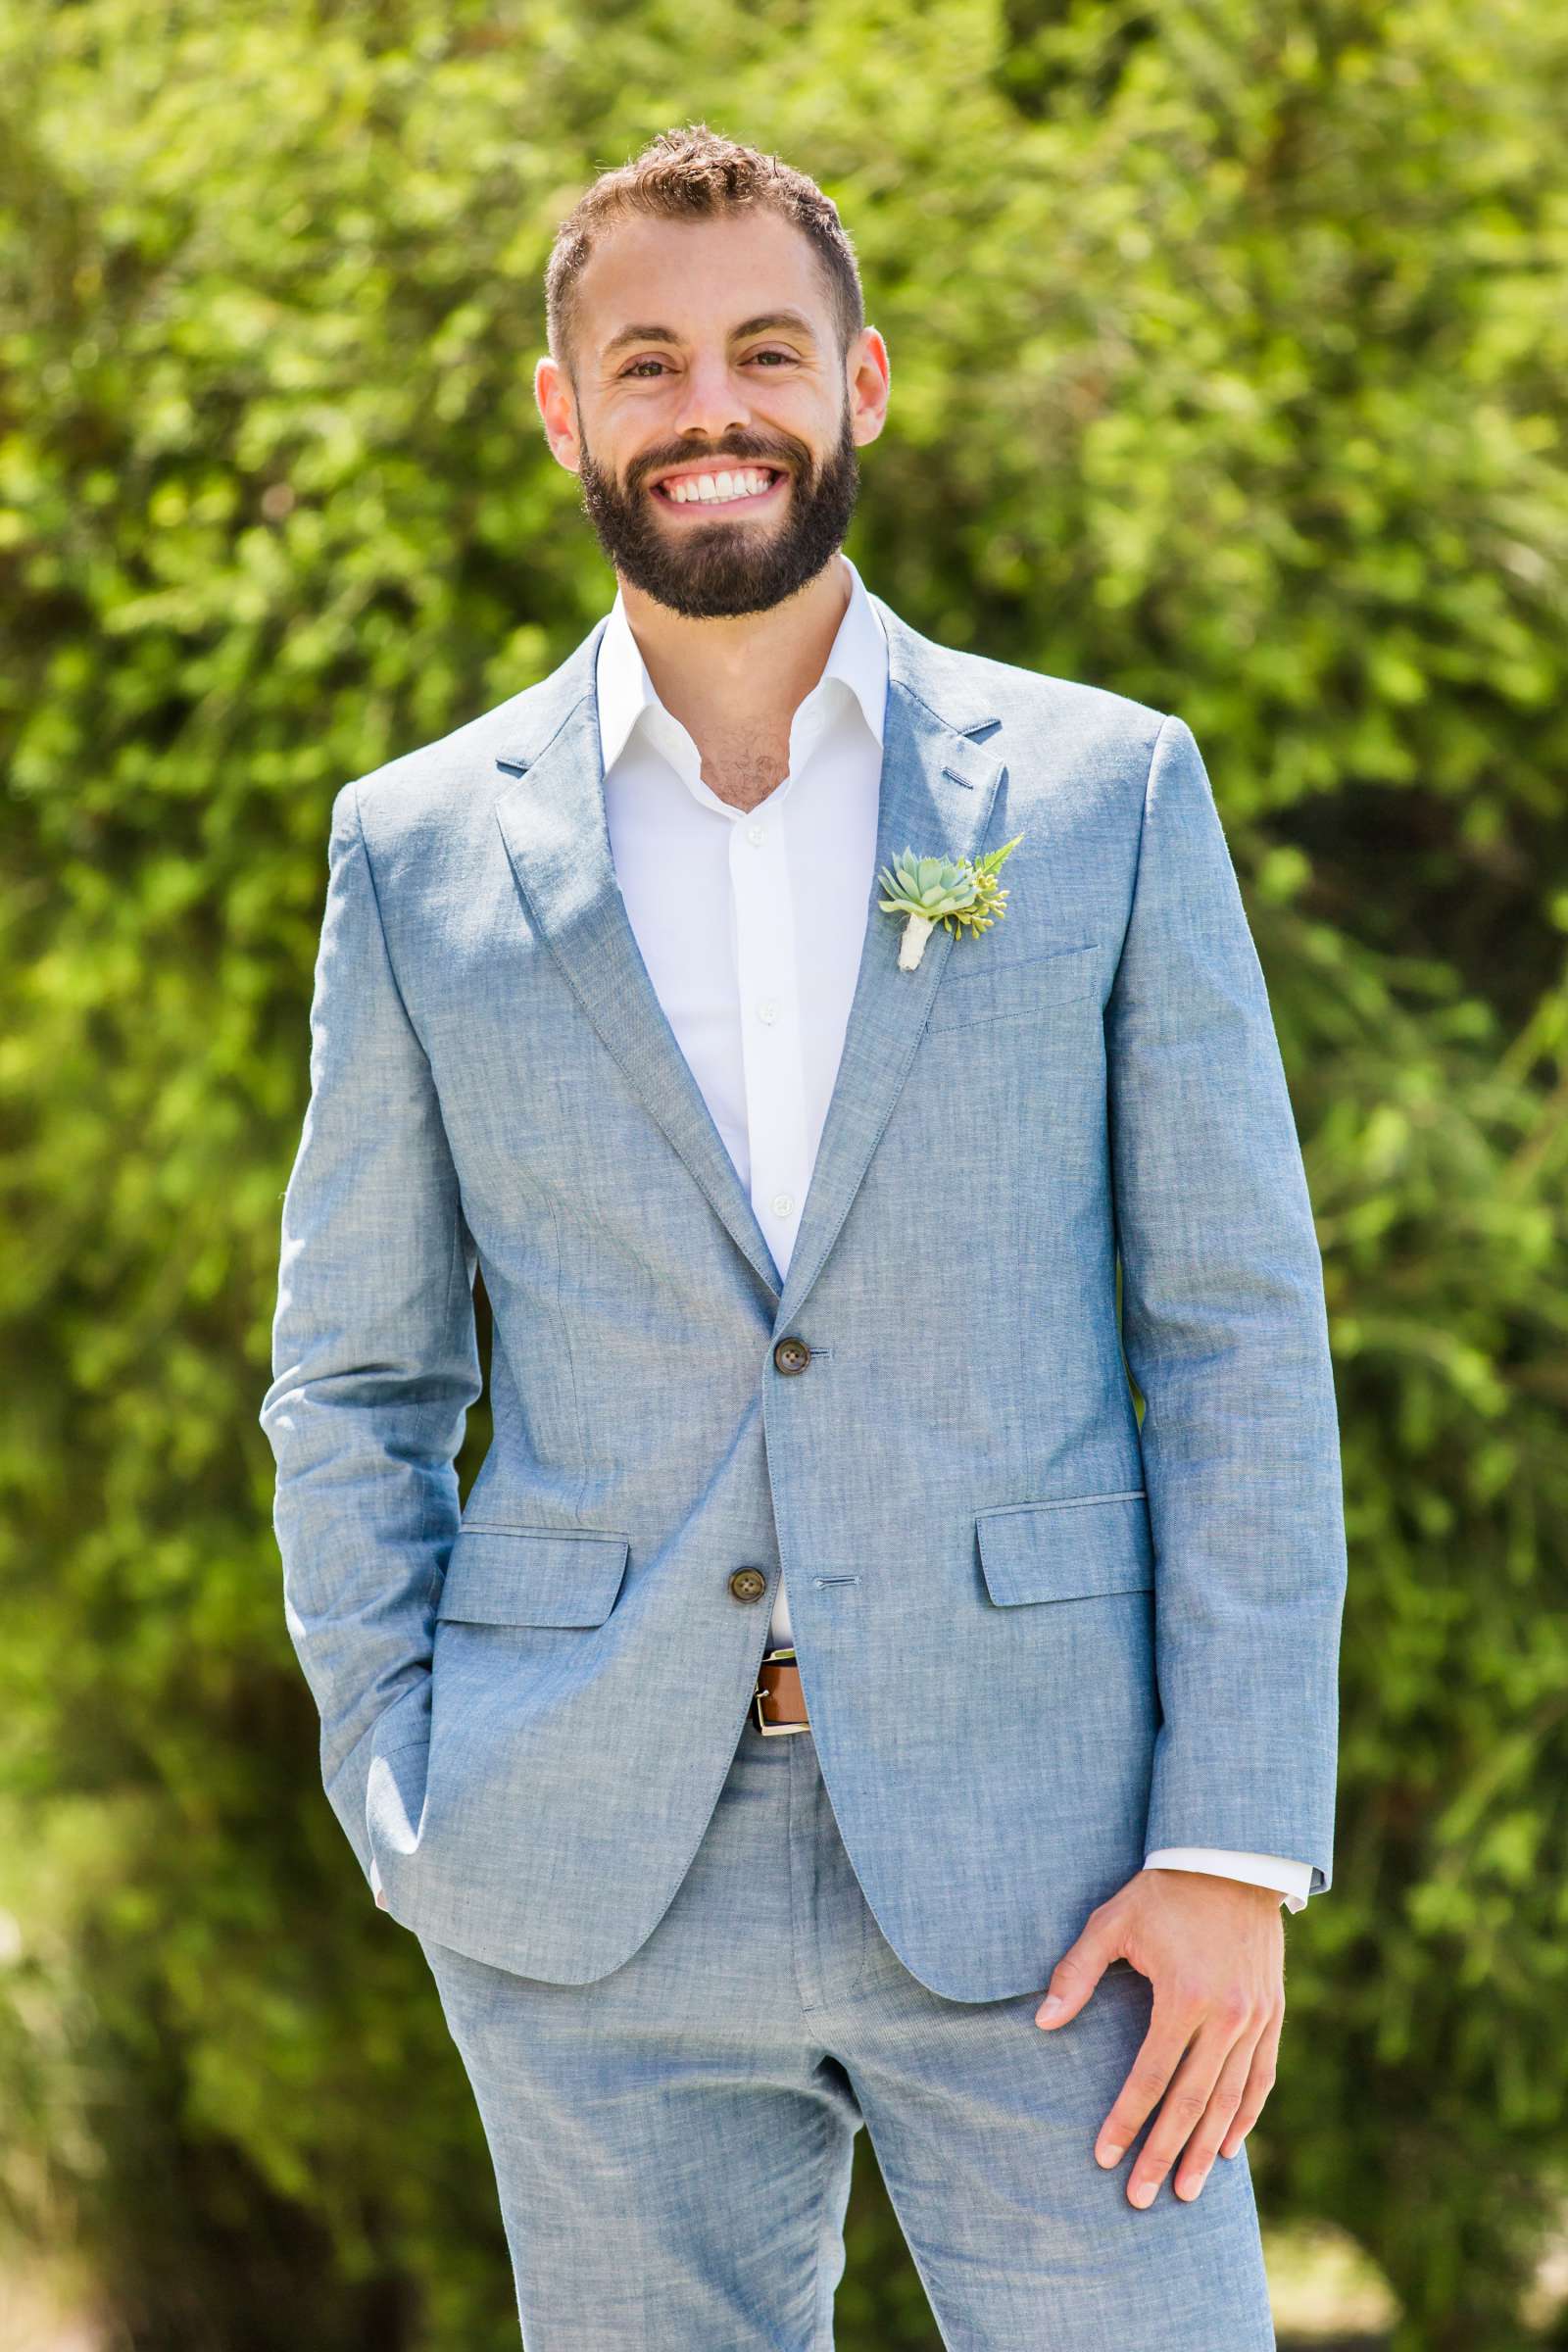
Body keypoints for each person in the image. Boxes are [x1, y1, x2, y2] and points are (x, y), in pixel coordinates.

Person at [260, 121, 1346, 2351]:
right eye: (644, 364)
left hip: (1058, 1875)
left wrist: (1233, 1847)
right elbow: (359, 1374)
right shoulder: (417, 858)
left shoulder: (1096, 794)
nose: (709, 409)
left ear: (861, 386)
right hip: (584, 1879)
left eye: (765, 349)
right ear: (567, 416)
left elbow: (1230, 1327)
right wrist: (409, 1790)